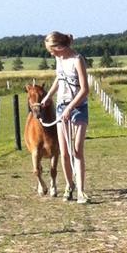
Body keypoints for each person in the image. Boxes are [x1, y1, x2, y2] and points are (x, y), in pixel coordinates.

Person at [42, 31, 90, 203]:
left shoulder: (77, 60)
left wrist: (71, 107)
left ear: (59, 47)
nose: (51, 53)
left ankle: (81, 191)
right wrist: (48, 97)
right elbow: (59, 78)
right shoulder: (59, 59)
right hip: (62, 107)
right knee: (64, 152)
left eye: (51, 50)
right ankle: (70, 185)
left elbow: (85, 89)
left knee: (76, 149)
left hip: (78, 107)